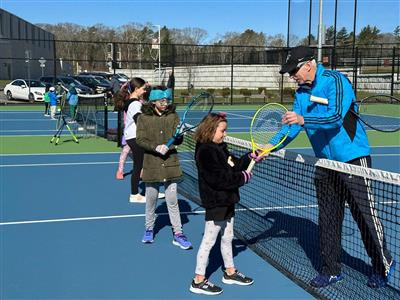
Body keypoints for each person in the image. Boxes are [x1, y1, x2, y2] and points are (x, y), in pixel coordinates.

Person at [276, 46, 394, 289]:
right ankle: (331, 269)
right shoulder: (300, 93)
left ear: (309, 64)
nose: (292, 76)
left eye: (294, 70)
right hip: (325, 163)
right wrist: (268, 147)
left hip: (352, 158)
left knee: (364, 216)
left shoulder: (336, 81)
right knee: (328, 218)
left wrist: (302, 119)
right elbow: (292, 127)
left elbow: (335, 117)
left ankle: (383, 263)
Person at [189, 113, 255, 295]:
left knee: (228, 237)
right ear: (210, 130)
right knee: (209, 241)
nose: (224, 134)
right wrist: (242, 177)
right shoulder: (205, 151)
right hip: (216, 201)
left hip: (227, 200)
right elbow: (218, 178)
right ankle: (198, 280)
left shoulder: (220, 148)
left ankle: (230, 272)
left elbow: (234, 165)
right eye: (222, 131)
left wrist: (251, 156)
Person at [136, 86, 192, 250]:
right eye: (162, 100)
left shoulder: (173, 116)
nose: (165, 103)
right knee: (151, 200)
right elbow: (140, 139)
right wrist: (156, 147)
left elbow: (178, 140)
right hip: (152, 164)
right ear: (153, 101)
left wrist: (179, 137)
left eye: (167, 100)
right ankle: (149, 229)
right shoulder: (143, 118)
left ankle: (178, 233)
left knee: (172, 201)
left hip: (171, 164)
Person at [115, 77, 148, 203]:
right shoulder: (134, 103)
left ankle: (150, 190)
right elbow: (139, 120)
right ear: (136, 89)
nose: (145, 91)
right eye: (143, 89)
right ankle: (134, 194)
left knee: (143, 164)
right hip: (135, 137)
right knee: (138, 166)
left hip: (132, 136)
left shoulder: (132, 101)